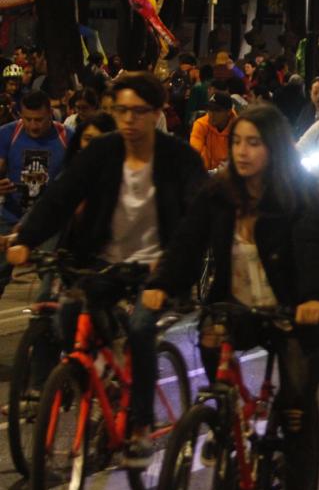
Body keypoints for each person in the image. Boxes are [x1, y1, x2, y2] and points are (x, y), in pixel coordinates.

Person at [143, 104, 319, 490]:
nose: (242, 152)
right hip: (238, 307)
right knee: (210, 337)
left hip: (292, 311)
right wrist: (163, 284)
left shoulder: (297, 194)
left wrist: (311, 298)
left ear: (273, 149)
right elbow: (187, 243)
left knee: (296, 404)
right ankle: (225, 422)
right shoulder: (218, 194)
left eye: (254, 143)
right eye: (237, 142)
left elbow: (310, 248)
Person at [5, 71, 207, 466]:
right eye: (121, 112)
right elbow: (62, 195)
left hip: (157, 267)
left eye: (138, 112)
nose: (129, 120)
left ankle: (140, 427)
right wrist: (27, 239)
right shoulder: (103, 152)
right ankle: (98, 383)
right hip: (104, 263)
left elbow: (195, 221)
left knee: (141, 328)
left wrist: (168, 273)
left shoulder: (180, 159)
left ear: (158, 112)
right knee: (66, 313)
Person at [0, 89, 70, 298]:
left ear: (50, 113)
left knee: (49, 276)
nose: (33, 125)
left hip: (48, 222)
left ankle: (44, 325)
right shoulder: (7, 134)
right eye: (27, 119)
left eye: (39, 119)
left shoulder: (67, 137)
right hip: (10, 216)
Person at [190, 92, 237, 170]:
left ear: (228, 112)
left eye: (217, 110)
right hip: (206, 174)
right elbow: (194, 154)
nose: (211, 114)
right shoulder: (201, 124)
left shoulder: (238, 128)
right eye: (210, 109)